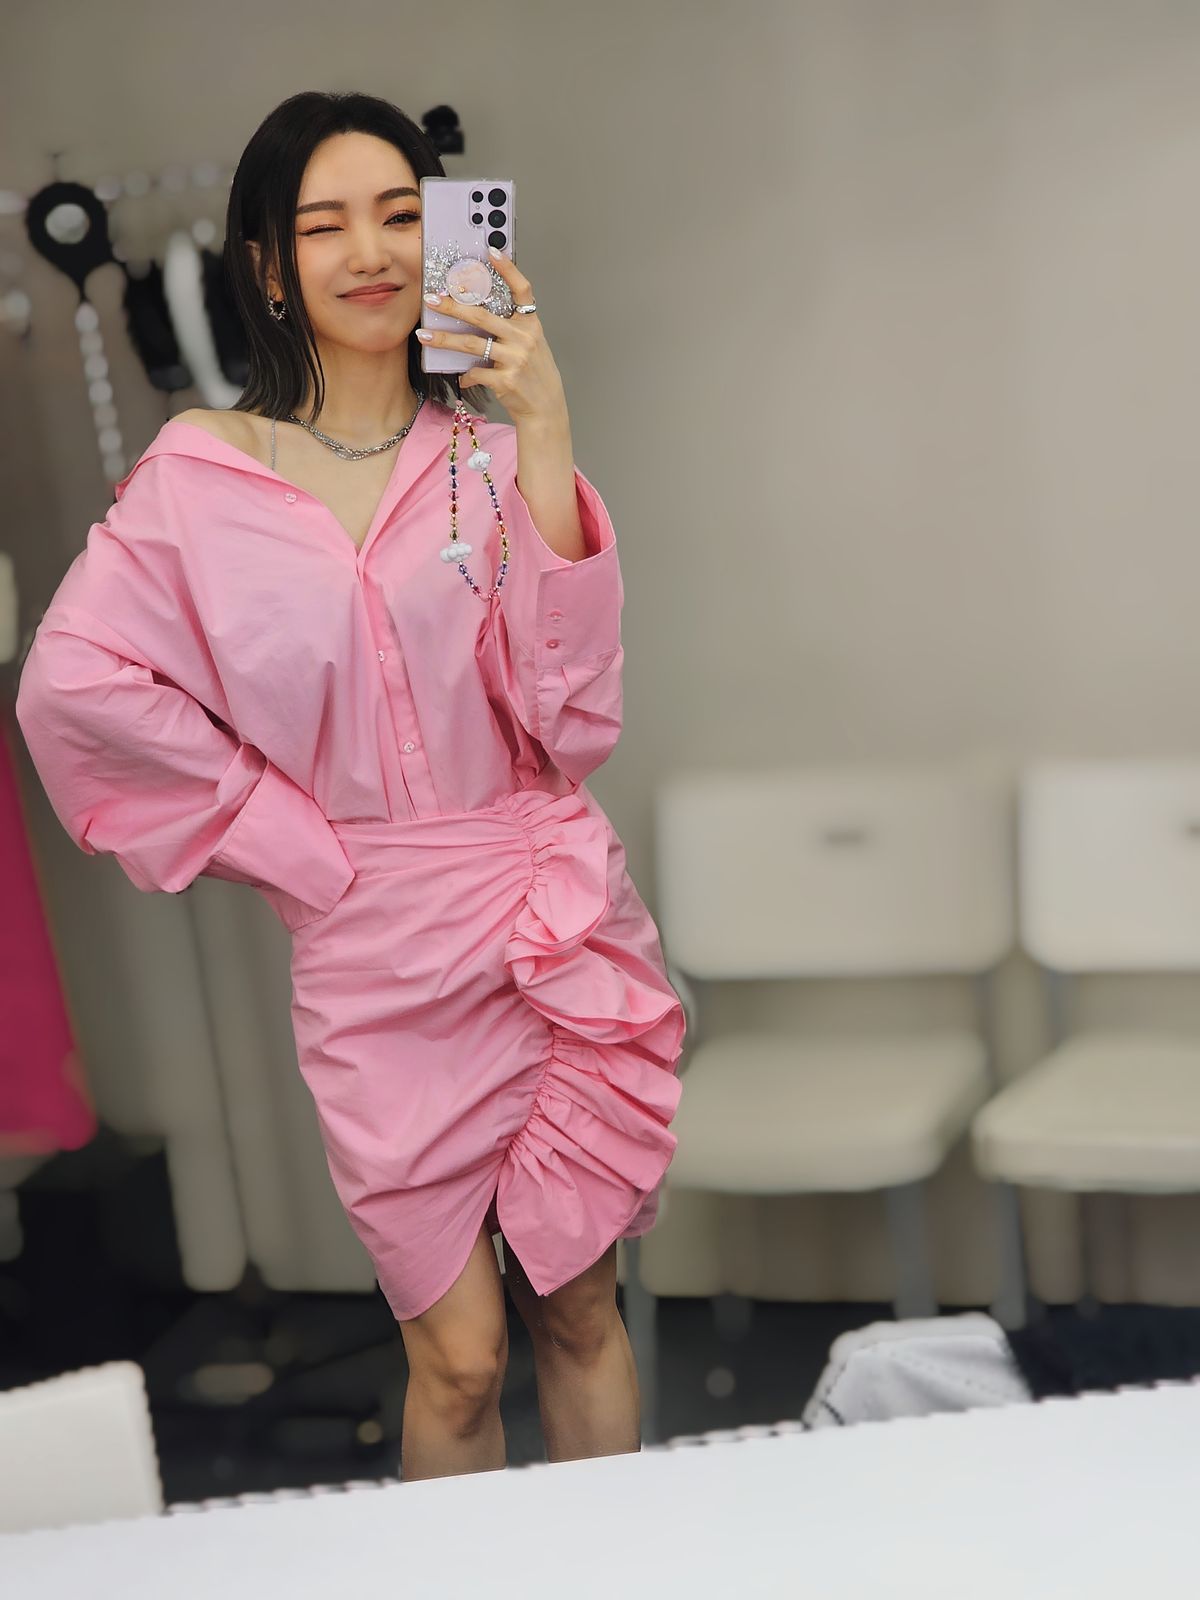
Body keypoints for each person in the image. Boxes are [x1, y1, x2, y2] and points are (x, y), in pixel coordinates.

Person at [15, 91, 686, 1481]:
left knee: (577, 1314)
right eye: (325, 225)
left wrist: (545, 426)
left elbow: (571, 723)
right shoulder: (202, 476)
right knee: (458, 1361)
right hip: (372, 953)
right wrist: (290, 842)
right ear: (269, 264)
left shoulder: (490, 460)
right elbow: (73, 687)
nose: (370, 251)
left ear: (443, 233)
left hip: (540, 919)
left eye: (398, 215)